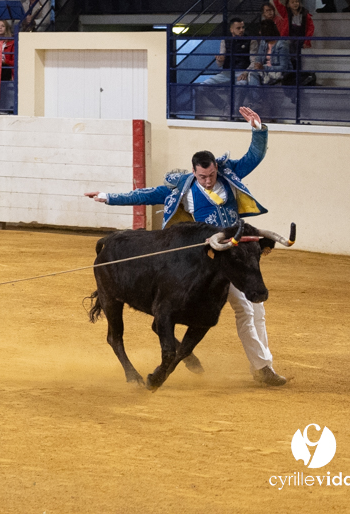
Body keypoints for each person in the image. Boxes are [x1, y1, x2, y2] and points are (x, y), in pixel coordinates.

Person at [85, 106, 285, 385]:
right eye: (203, 176)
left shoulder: (229, 176)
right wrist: (108, 197)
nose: (208, 179)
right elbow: (146, 194)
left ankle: (263, 367)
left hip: (235, 255)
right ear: (194, 171)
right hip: (204, 260)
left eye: (212, 174)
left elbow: (255, 156)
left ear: (216, 168)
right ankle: (182, 346)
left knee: (252, 310)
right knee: (195, 305)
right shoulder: (183, 187)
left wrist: (257, 130)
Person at [206, 17, 253, 84]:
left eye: (243, 27)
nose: (241, 30)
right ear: (231, 30)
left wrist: (246, 73)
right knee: (206, 83)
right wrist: (220, 60)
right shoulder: (225, 40)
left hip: (243, 71)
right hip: (227, 72)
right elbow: (220, 64)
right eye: (238, 28)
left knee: (240, 85)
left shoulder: (251, 40)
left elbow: (254, 61)